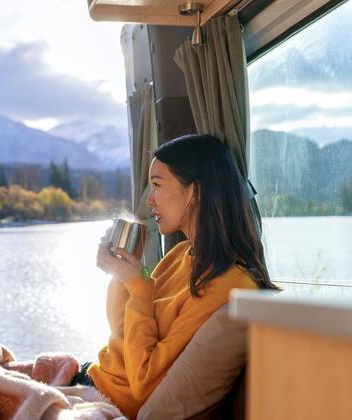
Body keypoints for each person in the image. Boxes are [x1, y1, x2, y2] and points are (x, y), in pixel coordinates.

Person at [72, 134, 278, 418]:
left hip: (107, 398)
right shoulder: (181, 254)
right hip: (93, 377)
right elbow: (122, 331)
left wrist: (137, 287)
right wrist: (123, 272)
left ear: (195, 191)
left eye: (157, 185)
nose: (150, 199)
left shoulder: (225, 285)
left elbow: (145, 383)